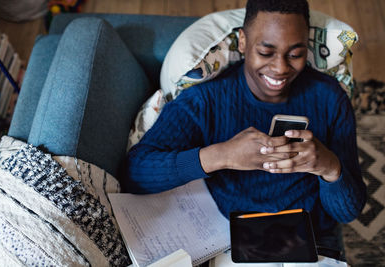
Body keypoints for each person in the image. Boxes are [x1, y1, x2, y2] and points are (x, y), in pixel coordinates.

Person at [122, 0, 367, 257]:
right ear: (242, 42)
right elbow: (135, 172)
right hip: (225, 240)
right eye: (266, 52)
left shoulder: (329, 98)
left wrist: (329, 166)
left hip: (310, 241)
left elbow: (349, 211)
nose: (281, 67)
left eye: (295, 54)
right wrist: (221, 155)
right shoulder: (205, 101)